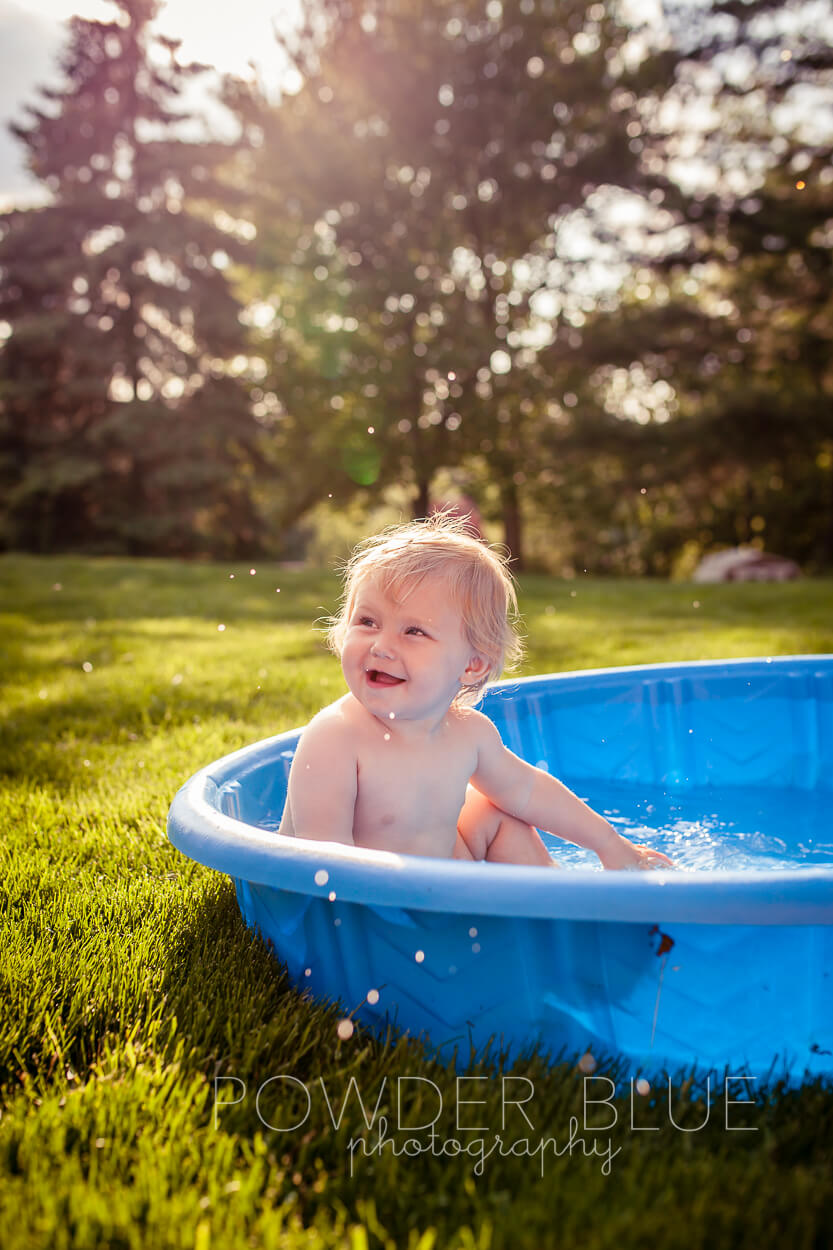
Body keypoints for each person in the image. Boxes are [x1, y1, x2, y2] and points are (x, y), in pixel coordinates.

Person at [279, 513, 673, 870]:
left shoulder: (469, 734)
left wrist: (609, 843)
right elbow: (322, 868)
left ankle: (555, 901)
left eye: (414, 631)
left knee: (498, 815)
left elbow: (527, 790)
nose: (381, 645)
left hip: (437, 878)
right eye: (366, 621)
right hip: (365, 901)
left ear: (472, 665)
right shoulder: (335, 739)